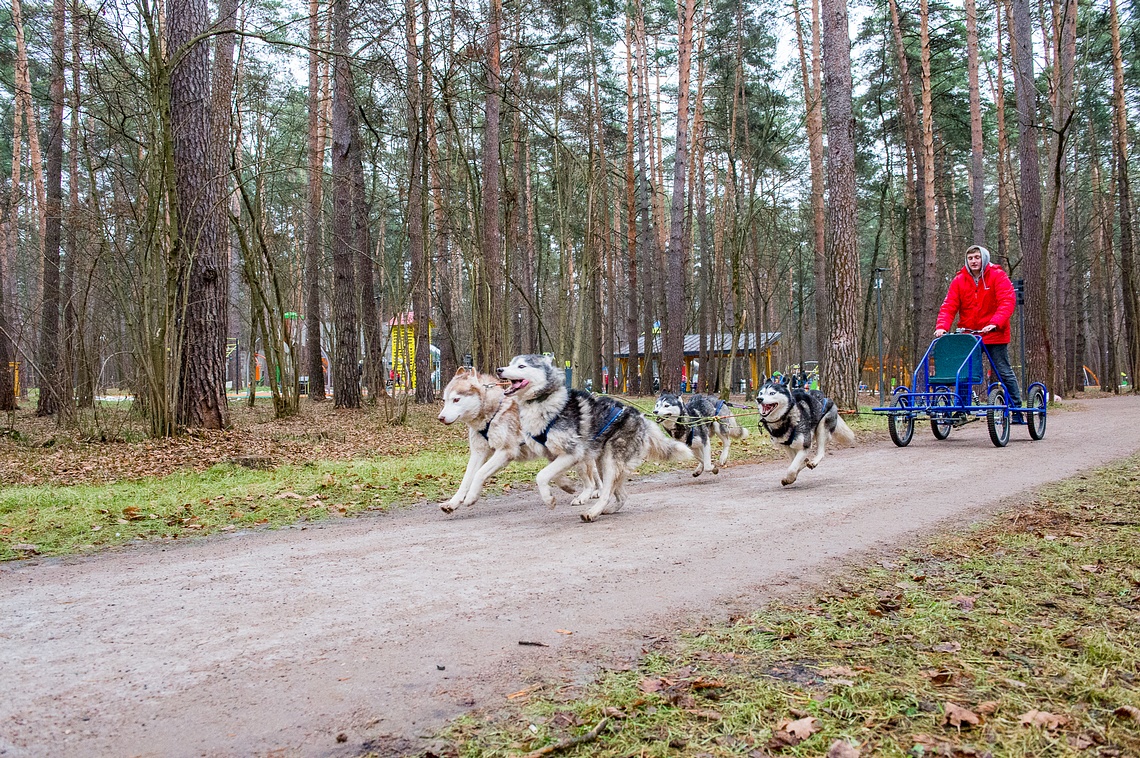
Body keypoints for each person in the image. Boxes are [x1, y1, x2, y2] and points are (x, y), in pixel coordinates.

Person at [934, 244, 1022, 408]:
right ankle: (961, 408)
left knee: (1003, 370)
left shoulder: (997, 276)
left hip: (994, 333)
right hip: (969, 335)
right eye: (970, 258)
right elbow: (949, 306)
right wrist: (942, 326)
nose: (974, 261)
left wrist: (994, 323)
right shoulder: (959, 280)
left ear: (984, 258)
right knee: (963, 372)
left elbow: (1007, 302)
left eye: (977, 257)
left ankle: (1016, 406)